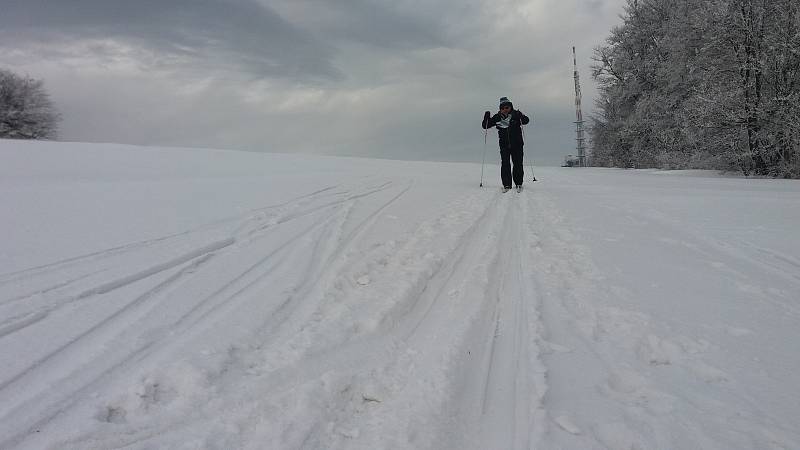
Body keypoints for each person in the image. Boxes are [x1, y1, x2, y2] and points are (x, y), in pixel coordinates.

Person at [482, 97, 530, 192]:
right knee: (505, 164)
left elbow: (526, 120)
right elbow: (485, 126)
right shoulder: (497, 117)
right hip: (504, 145)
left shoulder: (516, 114)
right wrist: (486, 117)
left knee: (518, 164)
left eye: (507, 107)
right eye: (503, 108)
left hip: (517, 144)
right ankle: (507, 185)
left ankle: (518, 183)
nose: (505, 109)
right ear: (500, 109)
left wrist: (521, 115)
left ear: (511, 107)